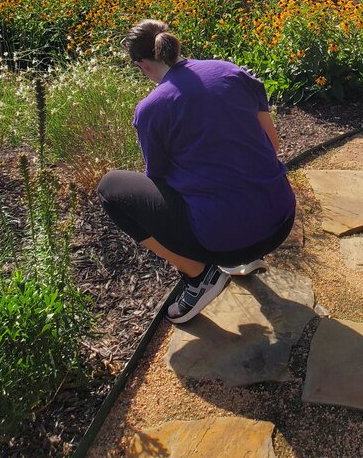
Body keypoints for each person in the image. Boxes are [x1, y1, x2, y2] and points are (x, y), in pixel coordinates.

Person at [98, 19, 296, 324]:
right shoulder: (230, 71)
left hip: (226, 245)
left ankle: (198, 274)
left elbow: (160, 181)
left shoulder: (152, 107)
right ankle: (246, 257)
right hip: (281, 221)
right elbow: (272, 144)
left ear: (142, 65)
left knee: (110, 188)